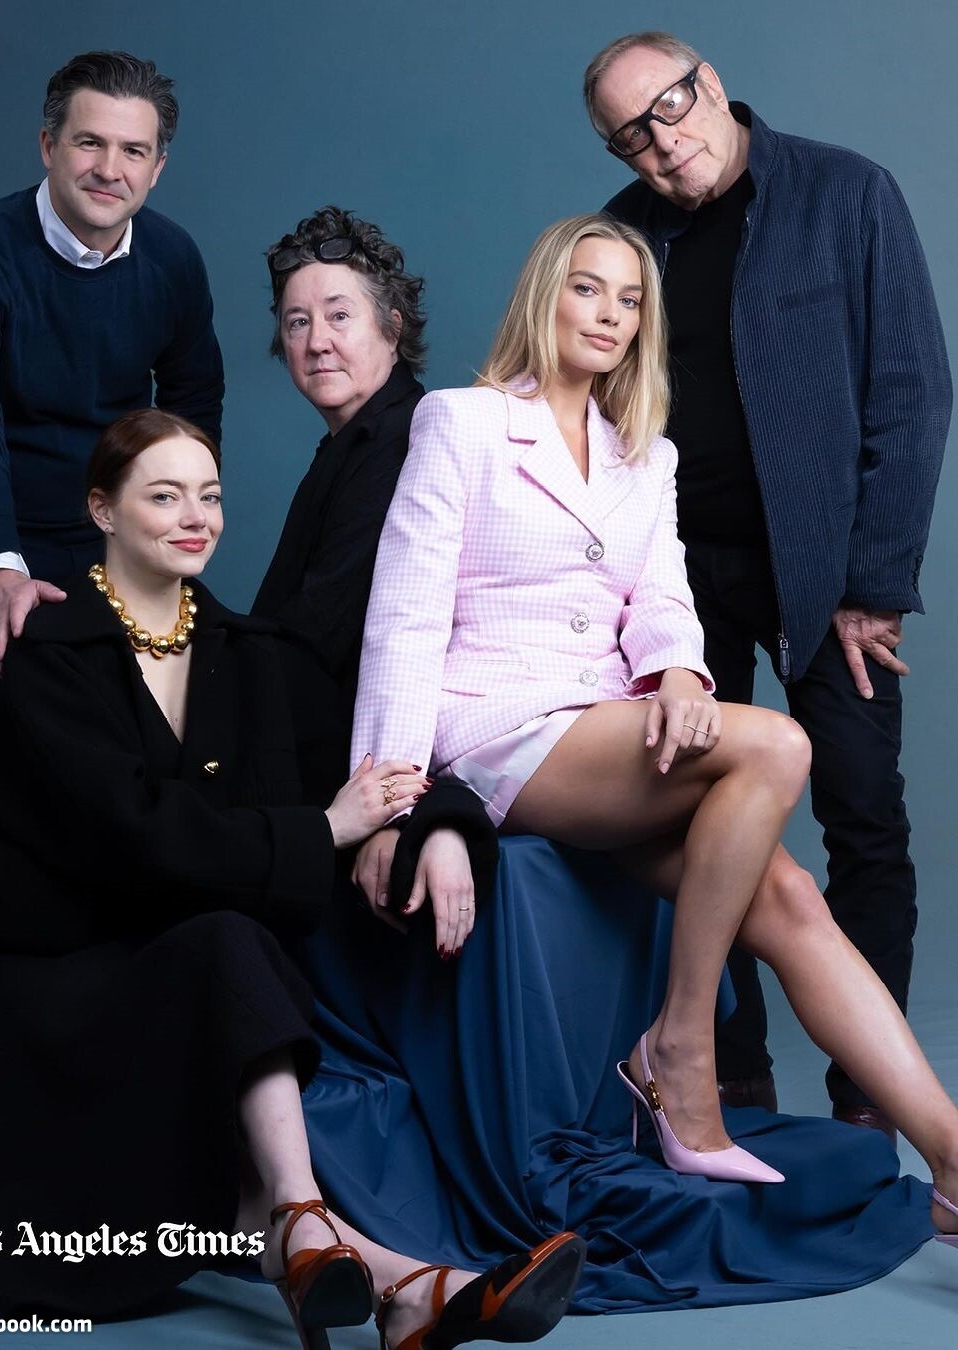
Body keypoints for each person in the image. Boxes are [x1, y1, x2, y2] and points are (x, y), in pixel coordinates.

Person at [0, 408, 586, 1347]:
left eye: (209, 496)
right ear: (102, 509)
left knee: (228, 945)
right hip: (41, 987)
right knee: (226, 943)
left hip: (184, 975)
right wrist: (325, 829)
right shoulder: (52, 656)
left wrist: (441, 827)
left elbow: (385, 741)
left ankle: (365, 1265)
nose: (195, 518)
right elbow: (138, 841)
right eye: (164, 496)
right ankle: (362, 1259)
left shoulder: (250, 652)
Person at [351, 214, 958, 1235]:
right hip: (498, 723)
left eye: (631, 300)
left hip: (607, 719)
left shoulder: (646, 455)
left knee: (788, 895)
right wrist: (392, 798)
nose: (611, 315)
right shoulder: (461, 423)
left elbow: (663, 594)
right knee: (778, 742)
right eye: (589, 289)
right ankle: (680, 1047)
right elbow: (404, 616)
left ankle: (951, 1162)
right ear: (545, 296)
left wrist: (679, 669)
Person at [583, 31, 952, 1135]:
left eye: (672, 105)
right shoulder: (625, 234)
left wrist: (872, 583)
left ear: (711, 83)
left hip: (828, 578)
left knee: (864, 819)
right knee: (702, 818)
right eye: (631, 134)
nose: (663, 141)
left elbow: (913, 390)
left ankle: (869, 1101)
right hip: (678, 579)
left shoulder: (846, 193)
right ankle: (732, 1074)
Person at [0, 50, 225, 1026]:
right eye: (90, 143)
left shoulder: (172, 260)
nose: (109, 169)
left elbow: (194, 404)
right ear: (48, 144)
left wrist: (166, 532)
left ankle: (109, 1038)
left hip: (118, 546)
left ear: (158, 167)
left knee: (137, 789)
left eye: (133, 151)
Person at [255, 206, 493, 928]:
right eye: (297, 322)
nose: (316, 342)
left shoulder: (404, 441)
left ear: (392, 325)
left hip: (381, 748)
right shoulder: (353, 440)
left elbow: (319, 635)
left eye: (338, 316)